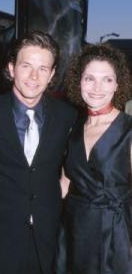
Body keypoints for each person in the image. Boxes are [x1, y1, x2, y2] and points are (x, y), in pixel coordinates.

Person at [0, 31, 77, 274]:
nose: (33, 76)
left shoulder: (67, 116)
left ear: (51, 75)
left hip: (49, 242)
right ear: (11, 67)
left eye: (42, 68)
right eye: (26, 65)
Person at [56, 44, 132, 274]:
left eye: (107, 79)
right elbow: (64, 185)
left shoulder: (128, 130)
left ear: (118, 84)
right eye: (89, 78)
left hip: (116, 234)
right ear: (79, 82)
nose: (97, 87)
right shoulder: (73, 128)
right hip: (72, 232)